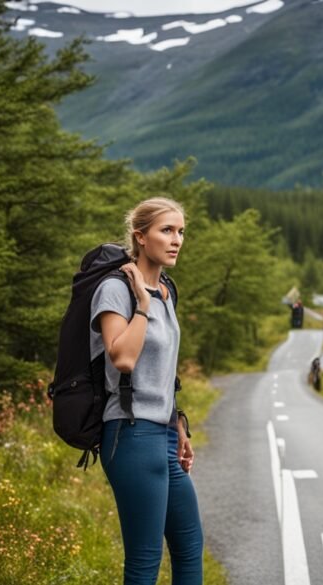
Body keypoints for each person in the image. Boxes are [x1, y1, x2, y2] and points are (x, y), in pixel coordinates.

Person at [91, 197, 203, 584]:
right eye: (166, 230)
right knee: (144, 560)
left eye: (181, 231)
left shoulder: (168, 291)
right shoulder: (115, 290)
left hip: (163, 436)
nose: (176, 240)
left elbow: (162, 371)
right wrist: (142, 303)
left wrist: (178, 423)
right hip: (131, 434)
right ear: (140, 237)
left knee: (189, 547)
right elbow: (122, 358)